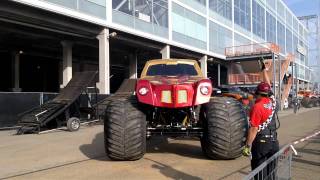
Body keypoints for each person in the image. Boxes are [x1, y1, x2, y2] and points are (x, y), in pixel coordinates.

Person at [242, 82, 279, 179]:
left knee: (259, 173)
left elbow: (254, 129)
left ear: (257, 93)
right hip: (274, 142)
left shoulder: (257, 107)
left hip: (261, 144)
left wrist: (247, 146)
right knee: (272, 172)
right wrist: (264, 70)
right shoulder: (273, 103)